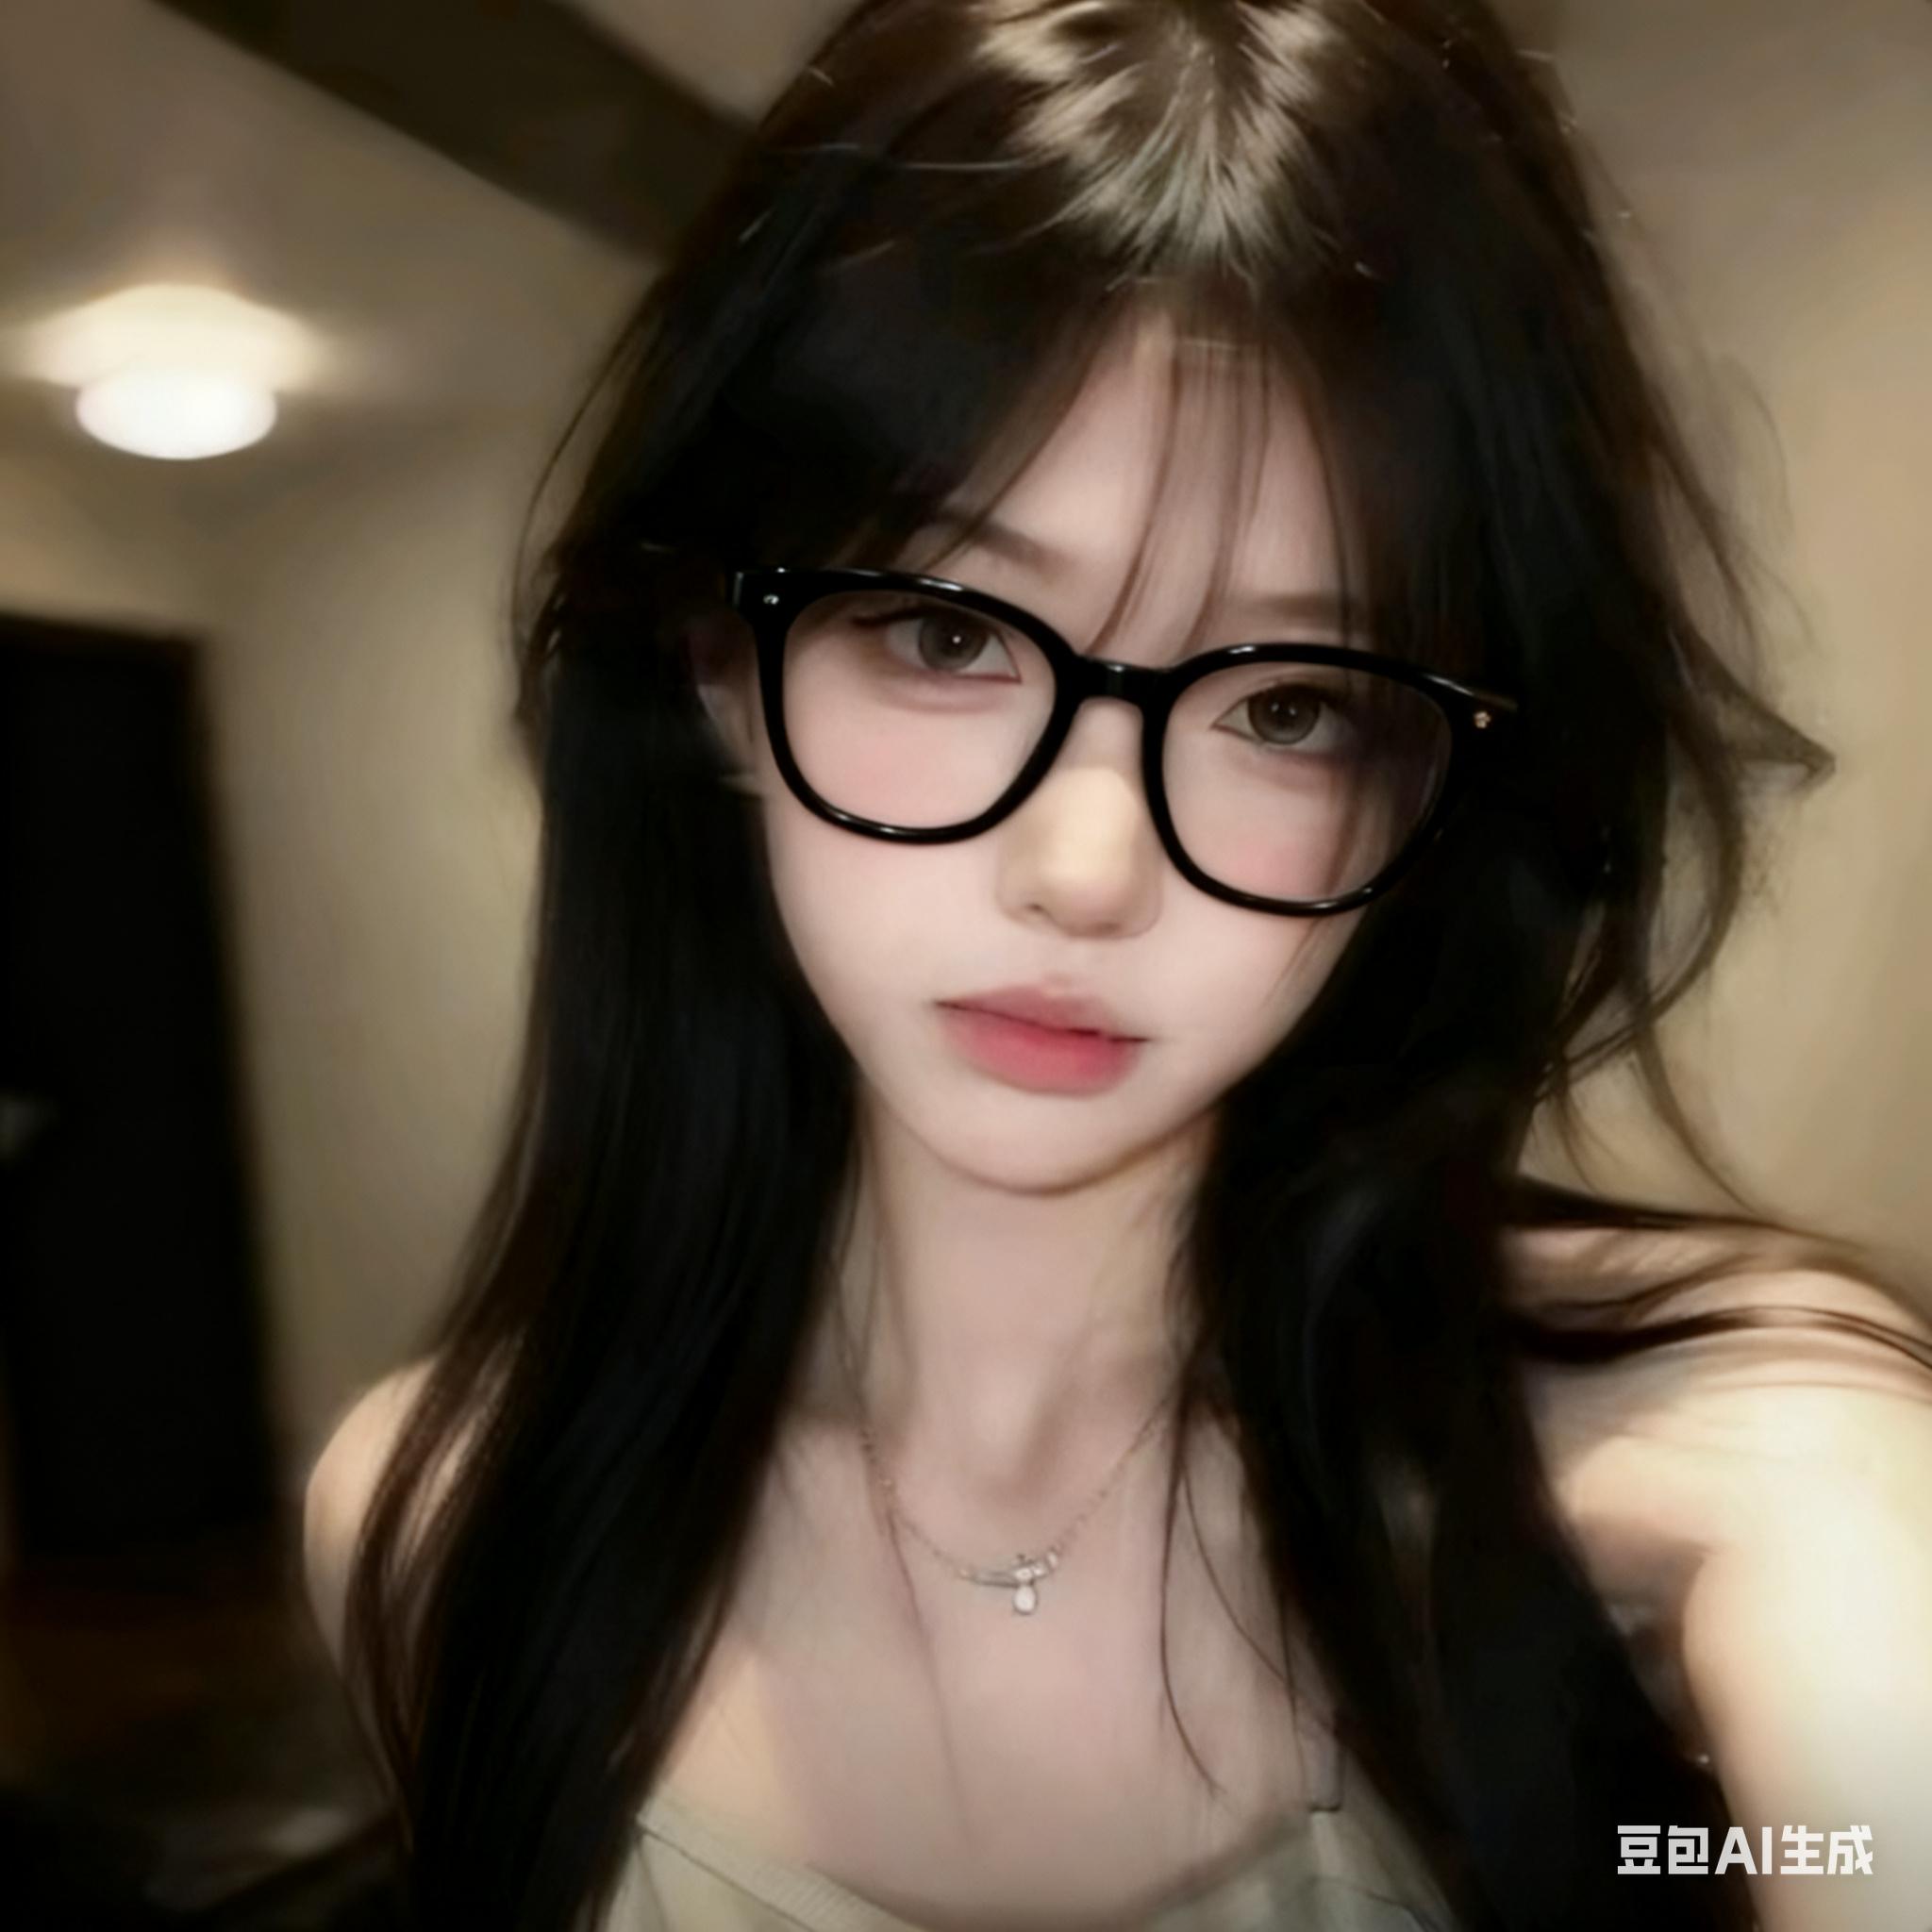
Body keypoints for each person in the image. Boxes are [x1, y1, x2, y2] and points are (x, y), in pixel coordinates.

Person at [301, 2, 1932, 1928]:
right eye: (944, 633)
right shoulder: (450, 1530)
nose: (1083, 874)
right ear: (714, 664)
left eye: (1290, 704)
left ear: (1438, 792)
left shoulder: (1720, 1461)